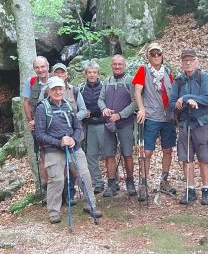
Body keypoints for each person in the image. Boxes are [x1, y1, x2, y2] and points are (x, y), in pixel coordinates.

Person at [34, 76, 102, 224]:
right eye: (54, 89)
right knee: (57, 179)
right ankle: (53, 212)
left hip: (73, 146)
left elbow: (77, 127)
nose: (58, 92)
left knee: (84, 175)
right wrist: (59, 142)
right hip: (53, 148)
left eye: (60, 89)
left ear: (64, 90)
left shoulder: (68, 105)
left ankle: (90, 205)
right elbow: (39, 134)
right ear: (49, 91)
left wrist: (74, 139)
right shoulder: (42, 108)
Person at [133, 43, 177, 201]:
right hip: (151, 115)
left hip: (168, 117)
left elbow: (173, 92)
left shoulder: (168, 72)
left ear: (162, 55)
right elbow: (137, 91)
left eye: (159, 54)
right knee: (147, 152)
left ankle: (164, 180)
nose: (156, 57)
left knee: (167, 150)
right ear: (148, 56)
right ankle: (143, 184)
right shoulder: (143, 70)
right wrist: (141, 108)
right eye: (153, 54)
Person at [170, 49, 208, 205]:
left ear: (197, 61)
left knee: (204, 157)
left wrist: (187, 98)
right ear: (182, 63)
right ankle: (190, 189)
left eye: (191, 60)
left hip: (201, 124)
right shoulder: (178, 81)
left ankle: (206, 189)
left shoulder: (204, 78)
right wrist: (182, 104)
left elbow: (207, 99)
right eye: (185, 60)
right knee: (186, 158)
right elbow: (172, 103)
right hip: (184, 124)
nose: (188, 62)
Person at [98, 55, 137, 197]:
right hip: (109, 124)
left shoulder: (130, 81)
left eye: (120, 64)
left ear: (124, 65)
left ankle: (130, 182)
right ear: (111, 65)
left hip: (125, 123)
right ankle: (111, 183)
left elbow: (135, 102)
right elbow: (101, 99)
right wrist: (104, 109)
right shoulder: (107, 81)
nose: (117, 66)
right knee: (109, 154)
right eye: (115, 64)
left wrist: (121, 115)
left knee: (127, 154)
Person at [22, 56, 50, 197]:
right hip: (38, 126)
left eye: (42, 67)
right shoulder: (31, 82)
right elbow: (26, 102)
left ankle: (66, 189)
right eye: (37, 68)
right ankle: (47, 189)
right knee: (43, 157)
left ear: (47, 66)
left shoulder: (55, 80)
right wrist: (30, 120)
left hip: (55, 126)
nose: (40, 70)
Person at [79, 60, 105, 194]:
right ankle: (98, 182)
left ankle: (114, 180)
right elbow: (78, 106)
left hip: (104, 123)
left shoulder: (104, 86)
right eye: (89, 72)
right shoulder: (81, 88)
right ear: (85, 74)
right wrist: (84, 114)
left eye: (94, 72)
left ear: (98, 74)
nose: (92, 75)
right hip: (89, 125)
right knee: (91, 155)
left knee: (109, 153)